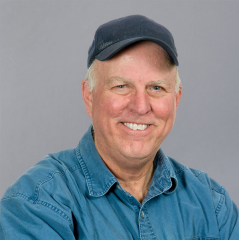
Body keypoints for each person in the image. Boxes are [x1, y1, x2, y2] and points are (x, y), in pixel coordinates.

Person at [0, 15, 238, 240]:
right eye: (122, 86)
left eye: (156, 88)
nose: (141, 106)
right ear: (89, 96)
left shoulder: (212, 204)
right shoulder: (36, 202)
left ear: (176, 99)